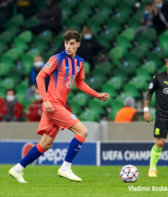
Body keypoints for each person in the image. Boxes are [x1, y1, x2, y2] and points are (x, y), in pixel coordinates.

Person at [9, 29, 109, 183]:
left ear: (78, 45)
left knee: (46, 143)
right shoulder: (56, 59)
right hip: (52, 105)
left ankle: (17, 169)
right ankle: (65, 168)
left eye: (72, 44)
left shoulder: (80, 62)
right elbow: (40, 76)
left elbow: (80, 83)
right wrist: (46, 100)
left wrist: (96, 94)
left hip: (59, 105)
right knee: (82, 131)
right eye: (66, 43)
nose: (68, 47)